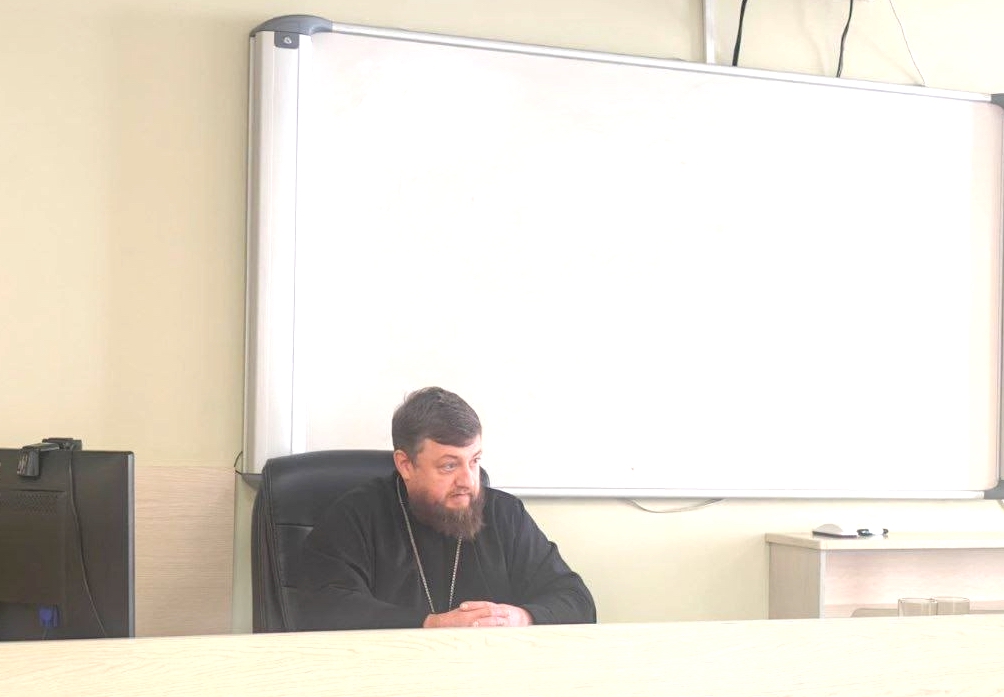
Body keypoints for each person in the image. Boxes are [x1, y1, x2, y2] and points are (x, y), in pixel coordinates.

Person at [297, 386, 596, 630]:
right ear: (405, 464)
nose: (468, 481)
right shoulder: (356, 517)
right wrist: (430, 624)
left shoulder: (504, 515)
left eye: (474, 461)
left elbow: (577, 601)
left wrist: (520, 617)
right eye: (449, 466)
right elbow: (322, 609)